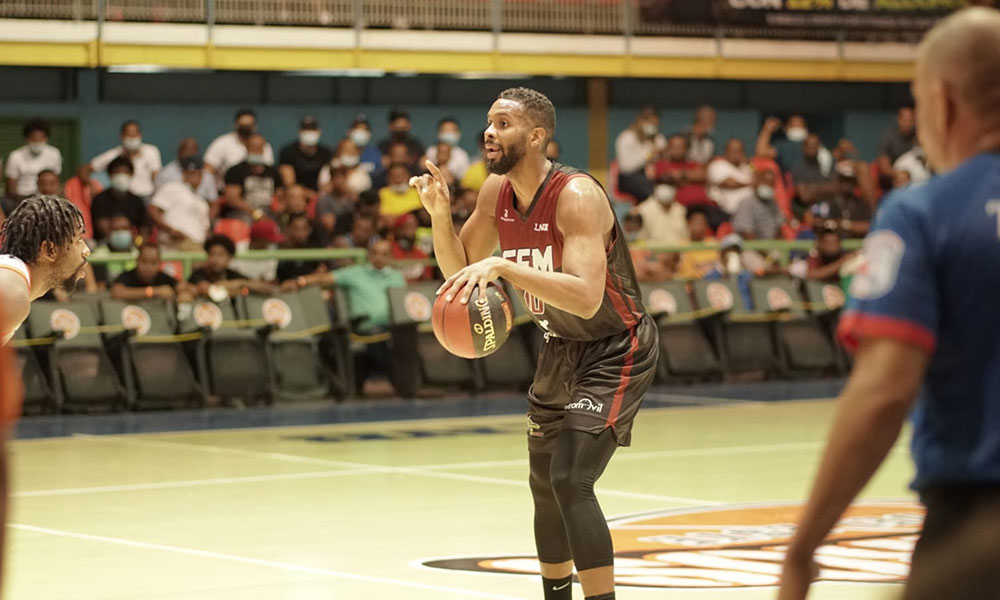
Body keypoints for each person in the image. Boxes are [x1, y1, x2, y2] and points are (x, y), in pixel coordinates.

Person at [778, 8, 1000, 600]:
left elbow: (884, 393)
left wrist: (803, 547)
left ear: (942, 103)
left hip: (978, 526)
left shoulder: (923, 214)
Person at [412, 87, 658, 600]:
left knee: (570, 479)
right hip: (559, 346)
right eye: (489, 122)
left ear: (537, 135)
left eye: (503, 124)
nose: (489, 132)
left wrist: (505, 266)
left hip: (615, 346)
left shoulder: (577, 195)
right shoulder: (495, 192)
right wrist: (439, 216)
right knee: (544, 485)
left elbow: (587, 298)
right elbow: (462, 272)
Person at [0, 194, 90, 346]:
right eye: (78, 240)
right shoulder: (12, 293)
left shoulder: (15, 283)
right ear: (49, 250)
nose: (86, 250)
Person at [86, 120, 162, 200]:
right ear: (121, 136)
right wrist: (91, 185)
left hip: (146, 197)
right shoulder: (113, 155)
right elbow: (85, 168)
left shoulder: (151, 151)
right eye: (129, 135)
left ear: (140, 135)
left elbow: (156, 176)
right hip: (122, 199)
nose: (132, 138)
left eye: (134, 135)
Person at [149, 155, 211, 251]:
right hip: (174, 243)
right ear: (183, 173)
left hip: (197, 245)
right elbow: (153, 210)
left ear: (201, 175)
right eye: (189, 173)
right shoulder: (173, 187)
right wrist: (170, 230)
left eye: (196, 173)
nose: (193, 177)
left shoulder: (202, 202)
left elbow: (206, 228)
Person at [220, 134, 284, 222]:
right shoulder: (235, 171)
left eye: (259, 147)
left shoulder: (273, 172)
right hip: (243, 213)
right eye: (253, 147)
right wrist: (255, 213)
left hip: (268, 211)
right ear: (246, 148)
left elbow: (280, 195)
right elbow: (232, 199)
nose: (256, 150)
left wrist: (279, 208)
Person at [188, 234, 273, 297]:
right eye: (212, 254)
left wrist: (240, 283)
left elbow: (267, 288)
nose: (215, 259)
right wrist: (235, 289)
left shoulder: (231, 273)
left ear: (229, 258)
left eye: (220, 255)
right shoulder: (199, 273)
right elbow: (208, 290)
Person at [90, 156, 151, 240]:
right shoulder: (99, 200)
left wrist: (138, 241)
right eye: (117, 172)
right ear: (110, 175)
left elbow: (144, 230)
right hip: (103, 243)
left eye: (125, 172)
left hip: (133, 243)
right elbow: (102, 228)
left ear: (131, 175)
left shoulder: (137, 201)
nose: (121, 175)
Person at [205, 108, 275, 180]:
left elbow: (269, 171)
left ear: (255, 126)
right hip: (227, 184)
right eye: (243, 125)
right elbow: (208, 171)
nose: (246, 129)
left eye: (249, 126)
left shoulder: (264, 145)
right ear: (236, 125)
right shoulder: (221, 143)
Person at [110, 243, 194, 302]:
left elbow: (184, 286)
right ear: (137, 260)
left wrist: (184, 293)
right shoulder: (128, 275)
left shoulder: (162, 277)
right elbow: (117, 292)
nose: (148, 267)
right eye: (144, 261)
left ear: (159, 263)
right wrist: (153, 292)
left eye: (153, 262)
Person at [614, 105, 664, 201]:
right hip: (630, 178)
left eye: (655, 124)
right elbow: (626, 168)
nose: (653, 126)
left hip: (653, 176)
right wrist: (649, 155)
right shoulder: (627, 137)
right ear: (640, 120)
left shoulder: (659, 139)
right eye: (649, 122)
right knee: (649, 189)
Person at [4, 119, 62, 201]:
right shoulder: (15, 155)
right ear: (27, 138)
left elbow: (55, 181)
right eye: (34, 138)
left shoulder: (54, 153)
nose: (37, 141)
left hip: (47, 196)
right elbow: (11, 187)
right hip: (22, 198)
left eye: (41, 137)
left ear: (46, 138)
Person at [278, 115, 332, 192]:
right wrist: (311, 194)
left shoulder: (326, 153)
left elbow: (330, 179)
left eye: (312, 130)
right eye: (306, 130)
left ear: (319, 132)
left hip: (321, 193)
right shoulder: (287, 152)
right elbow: (289, 183)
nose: (309, 133)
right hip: (297, 193)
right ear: (299, 132)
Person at [732, 169, 784, 240]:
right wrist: (763, 247)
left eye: (771, 184)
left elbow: (778, 228)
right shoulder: (747, 203)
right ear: (756, 183)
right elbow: (745, 233)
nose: (768, 186)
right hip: (752, 244)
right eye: (765, 183)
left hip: (771, 243)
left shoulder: (773, 203)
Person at [707, 138, 754, 216]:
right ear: (726, 151)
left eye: (739, 151)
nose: (736, 154)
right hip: (728, 212)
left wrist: (749, 164)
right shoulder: (717, 165)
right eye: (733, 151)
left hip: (751, 210)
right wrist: (750, 183)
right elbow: (729, 183)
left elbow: (758, 178)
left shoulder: (746, 166)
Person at [230, 219, 283, 283]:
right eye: (268, 241)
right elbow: (231, 277)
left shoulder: (272, 252)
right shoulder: (236, 249)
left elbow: (268, 282)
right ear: (258, 240)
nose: (270, 243)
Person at [876, 106, 918, 186]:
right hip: (894, 177)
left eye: (911, 121)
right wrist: (899, 174)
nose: (908, 124)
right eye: (905, 120)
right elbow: (884, 168)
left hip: (918, 176)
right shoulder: (888, 138)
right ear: (899, 120)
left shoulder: (920, 137)